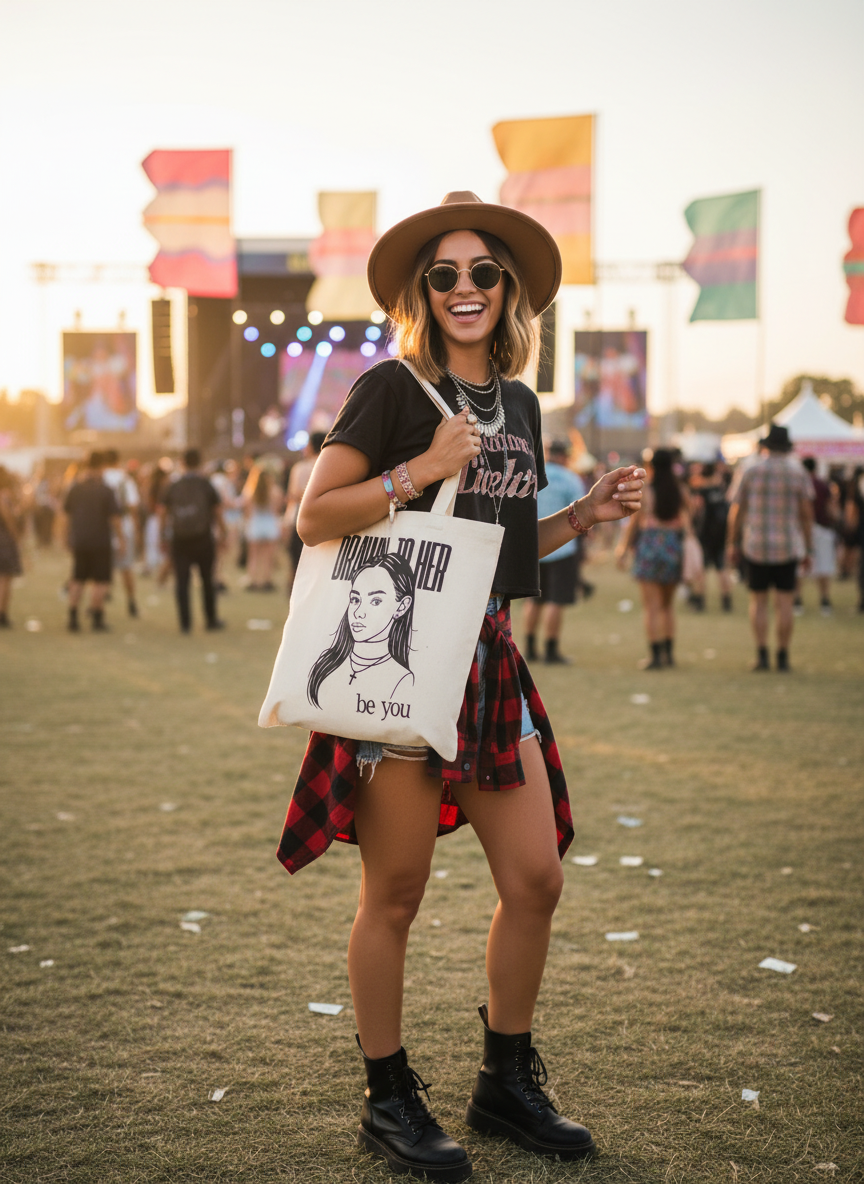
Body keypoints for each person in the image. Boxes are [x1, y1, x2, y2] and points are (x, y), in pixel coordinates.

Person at [280, 191, 645, 1181]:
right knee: (395, 889)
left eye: (484, 272)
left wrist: (587, 517)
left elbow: (504, 553)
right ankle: (388, 1096)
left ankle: (504, 1079)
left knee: (537, 876)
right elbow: (316, 517)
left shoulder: (521, 405)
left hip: (488, 658)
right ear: (421, 290)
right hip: (400, 656)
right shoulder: (391, 388)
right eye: (444, 273)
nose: (465, 287)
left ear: (509, 288)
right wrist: (418, 470)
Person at [726, 424, 813, 671]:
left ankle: (762, 654)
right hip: (787, 545)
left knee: (758, 602)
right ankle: (783, 656)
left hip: (756, 545)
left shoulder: (750, 470)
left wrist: (732, 542)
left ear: (765, 446)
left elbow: (736, 510)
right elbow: (806, 515)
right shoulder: (797, 472)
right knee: (785, 603)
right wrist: (809, 549)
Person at [616, 447, 688, 669]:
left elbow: (635, 523)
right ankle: (670, 654)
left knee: (652, 607)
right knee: (667, 606)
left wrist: (624, 549)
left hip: (649, 546)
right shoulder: (680, 490)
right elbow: (690, 516)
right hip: (672, 546)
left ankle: (655, 656)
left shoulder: (647, 492)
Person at [522, 438, 586, 663]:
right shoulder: (571, 478)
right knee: (555, 601)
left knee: (533, 600)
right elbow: (582, 510)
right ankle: (551, 649)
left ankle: (529, 647)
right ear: (566, 455)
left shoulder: (532, 473)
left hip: (532, 545)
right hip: (562, 546)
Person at [160, 448, 226, 634]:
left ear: (182, 462)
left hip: (179, 539)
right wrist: (223, 532)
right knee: (207, 579)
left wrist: (163, 536)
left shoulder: (173, 485)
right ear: (199, 462)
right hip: (203, 537)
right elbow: (217, 510)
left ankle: (185, 623)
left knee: (182, 581)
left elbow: (163, 513)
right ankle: (211, 619)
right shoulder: (205, 484)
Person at [63, 451, 122, 632]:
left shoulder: (75, 487)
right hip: (100, 541)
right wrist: (122, 538)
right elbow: (115, 518)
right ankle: (97, 618)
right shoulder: (106, 490)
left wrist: (66, 536)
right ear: (102, 466)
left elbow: (65, 515)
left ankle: (73, 617)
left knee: (78, 578)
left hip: (80, 539)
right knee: (100, 580)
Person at [283, 432, 326, 592]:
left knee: (297, 562)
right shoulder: (329, 466)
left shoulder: (300, 468)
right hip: (324, 520)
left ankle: (295, 594)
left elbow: (292, 496)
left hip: (300, 519)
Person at [688, 461, 733, 612]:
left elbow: (696, 510)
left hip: (705, 534)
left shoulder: (701, 491)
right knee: (722, 568)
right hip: (721, 534)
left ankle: (700, 601)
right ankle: (726, 601)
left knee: (701, 569)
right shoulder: (721, 490)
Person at [102, 449, 140, 617]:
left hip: (102, 527)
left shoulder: (101, 478)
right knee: (125, 567)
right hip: (124, 526)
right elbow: (133, 506)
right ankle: (131, 602)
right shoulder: (125, 479)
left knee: (101, 568)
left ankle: (99, 606)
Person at [800, 457, 837, 615]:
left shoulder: (800, 484)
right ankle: (824, 599)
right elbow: (830, 509)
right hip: (822, 528)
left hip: (802, 530)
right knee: (823, 565)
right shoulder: (822, 484)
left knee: (800, 566)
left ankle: (797, 599)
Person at [241, 464, 282, 591]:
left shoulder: (250, 490)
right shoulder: (275, 490)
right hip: (270, 524)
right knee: (268, 556)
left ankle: (252, 579)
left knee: (253, 555)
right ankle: (266, 580)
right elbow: (277, 509)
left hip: (255, 523)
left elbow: (246, 509)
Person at [0, 466, 23, 627]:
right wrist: (16, 537)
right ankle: (2, 613)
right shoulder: (3, 496)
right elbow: (9, 519)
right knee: (4, 578)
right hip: (4, 541)